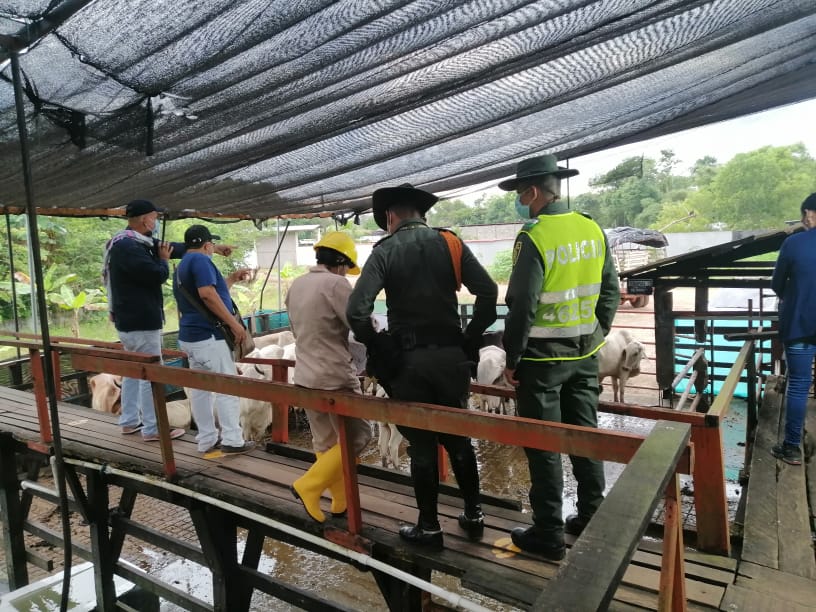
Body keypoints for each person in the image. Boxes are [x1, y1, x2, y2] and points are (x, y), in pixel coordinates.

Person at [347, 184, 498, 549]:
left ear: (389, 217)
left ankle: (429, 527)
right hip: (451, 358)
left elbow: (356, 311)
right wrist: (470, 335)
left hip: (409, 363)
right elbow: (489, 291)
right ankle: (474, 515)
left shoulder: (385, 251)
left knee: (421, 444)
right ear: (422, 213)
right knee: (459, 438)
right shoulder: (451, 243)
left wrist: (379, 344)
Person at [498, 155, 620, 560]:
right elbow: (610, 291)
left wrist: (512, 358)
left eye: (520, 193)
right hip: (586, 355)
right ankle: (592, 515)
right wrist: (595, 334)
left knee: (543, 443)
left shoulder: (534, 236)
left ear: (533, 192)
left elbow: (521, 305)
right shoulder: (592, 228)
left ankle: (548, 532)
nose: (519, 200)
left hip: (543, 362)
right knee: (586, 435)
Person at [285, 231, 373, 522]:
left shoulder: (297, 284)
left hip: (305, 374)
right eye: (347, 266)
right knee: (359, 436)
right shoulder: (336, 284)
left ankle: (339, 502)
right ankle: (309, 486)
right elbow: (359, 325)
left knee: (325, 442)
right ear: (340, 261)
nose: (347, 272)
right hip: (335, 375)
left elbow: (299, 330)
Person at [103, 199, 192, 442]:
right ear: (146, 219)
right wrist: (163, 260)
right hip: (140, 320)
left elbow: (170, 247)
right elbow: (156, 275)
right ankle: (153, 428)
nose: (156, 221)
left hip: (129, 320)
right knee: (151, 374)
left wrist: (207, 247)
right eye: (155, 217)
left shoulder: (132, 242)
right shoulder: (129, 248)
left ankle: (129, 420)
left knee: (133, 371)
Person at [173, 225, 254, 455]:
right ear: (207, 245)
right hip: (209, 336)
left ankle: (207, 438)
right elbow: (207, 295)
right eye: (211, 245)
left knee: (201, 391)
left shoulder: (182, 266)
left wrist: (231, 279)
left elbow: (210, 294)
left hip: (191, 337)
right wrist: (234, 323)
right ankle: (232, 440)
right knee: (226, 387)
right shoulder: (201, 261)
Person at [770, 192, 816, 466]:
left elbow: (777, 283)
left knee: (799, 385)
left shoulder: (794, 243)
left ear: (809, 213)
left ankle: (791, 448)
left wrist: (794, 293)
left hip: (799, 323)